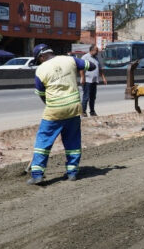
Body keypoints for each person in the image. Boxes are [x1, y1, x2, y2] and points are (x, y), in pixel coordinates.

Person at [28, 44, 95, 185]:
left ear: (41, 56)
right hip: (73, 107)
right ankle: (72, 172)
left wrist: (51, 104)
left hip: (54, 110)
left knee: (43, 140)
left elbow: (41, 94)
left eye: (38, 59)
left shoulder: (40, 70)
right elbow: (92, 66)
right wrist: (75, 68)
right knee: (73, 140)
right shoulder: (70, 60)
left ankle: (37, 174)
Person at [81, 44, 107, 117]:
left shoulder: (96, 58)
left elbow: (100, 68)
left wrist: (103, 78)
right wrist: (83, 78)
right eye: (96, 51)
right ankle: (83, 111)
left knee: (93, 97)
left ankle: (92, 112)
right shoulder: (85, 57)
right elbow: (81, 69)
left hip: (94, 80)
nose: (97, 52)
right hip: (87, 80)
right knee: (86, 97)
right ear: (91, 50)